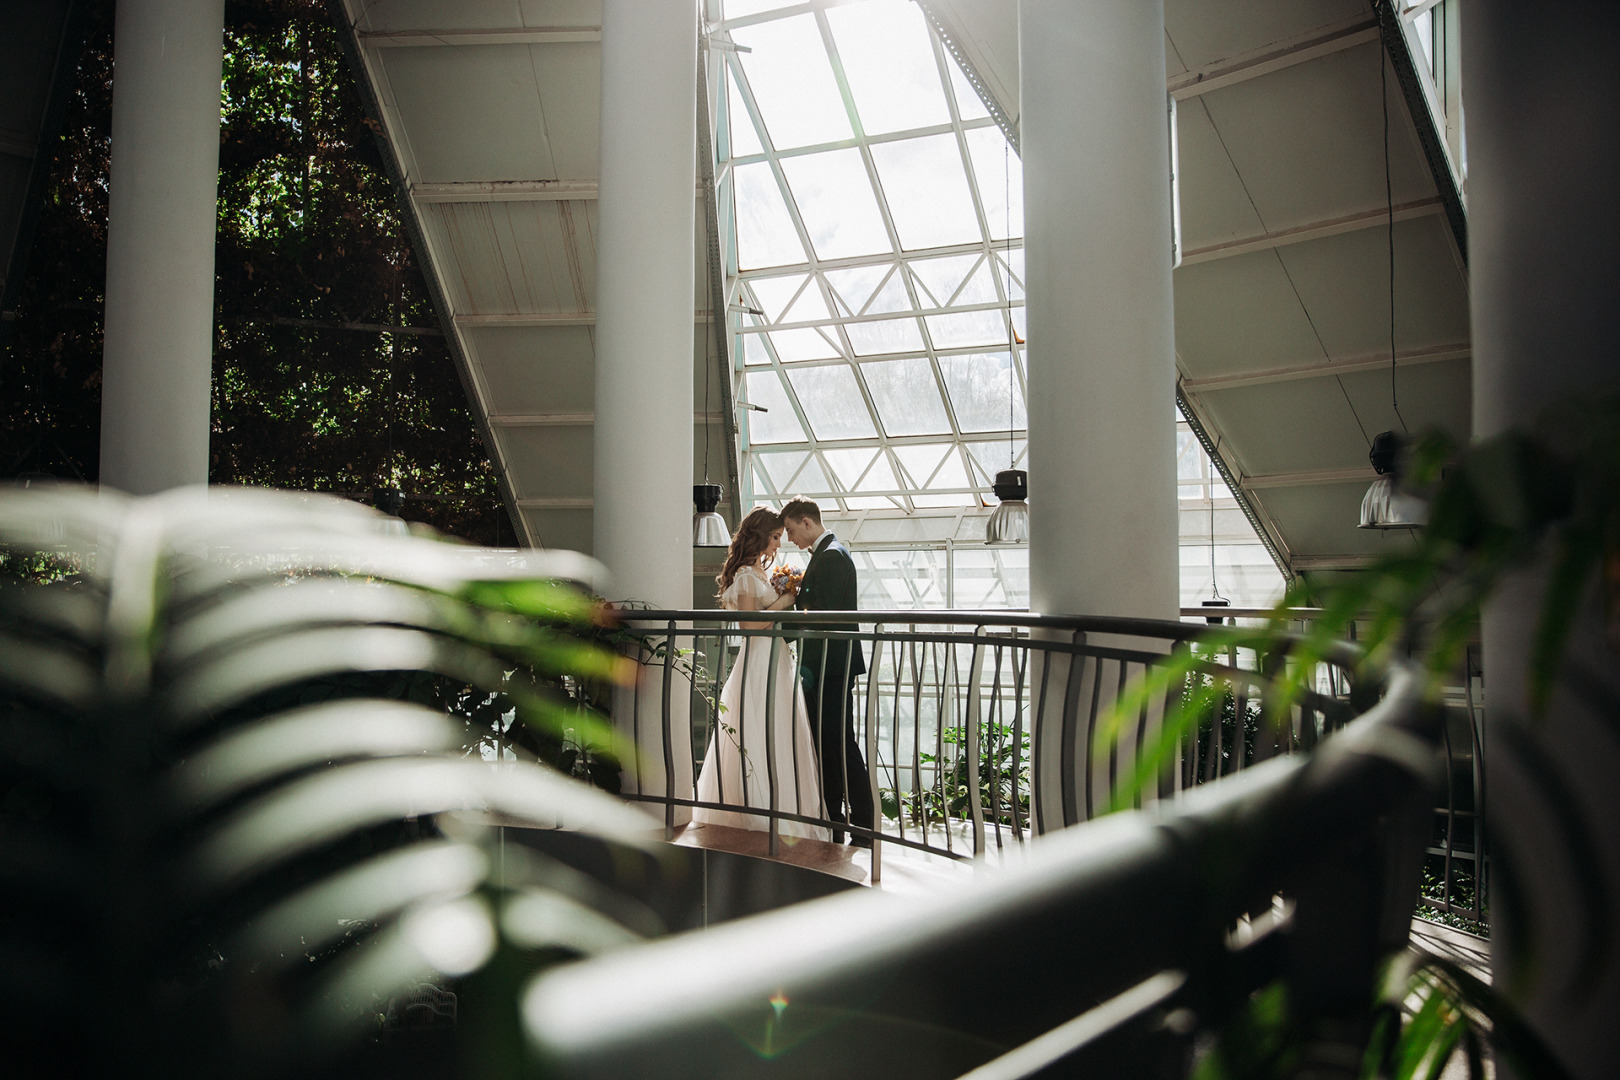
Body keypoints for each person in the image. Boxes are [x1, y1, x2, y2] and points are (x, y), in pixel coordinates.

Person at [693, 507, 830, 842]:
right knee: (760, 727)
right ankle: (757, 808)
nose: (777, 546)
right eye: (775, 538)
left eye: (780, 538)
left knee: (782, 729)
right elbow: (751, 626)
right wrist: (785, 600)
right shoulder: (744, 574)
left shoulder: (758, 572)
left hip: (777, 659)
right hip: (759, 660)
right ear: (760, 536)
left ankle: (785, 808)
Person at [780, 497, 874, 846]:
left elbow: (822, 617)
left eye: (790, 530)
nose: (789, 538)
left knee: (839, 743)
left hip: (830, 667)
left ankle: (863, 822)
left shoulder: (832, 556)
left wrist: (780, 625)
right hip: (824, 667)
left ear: (807, 523)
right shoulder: (828, 554)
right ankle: (836, 819)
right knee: (828, 743)